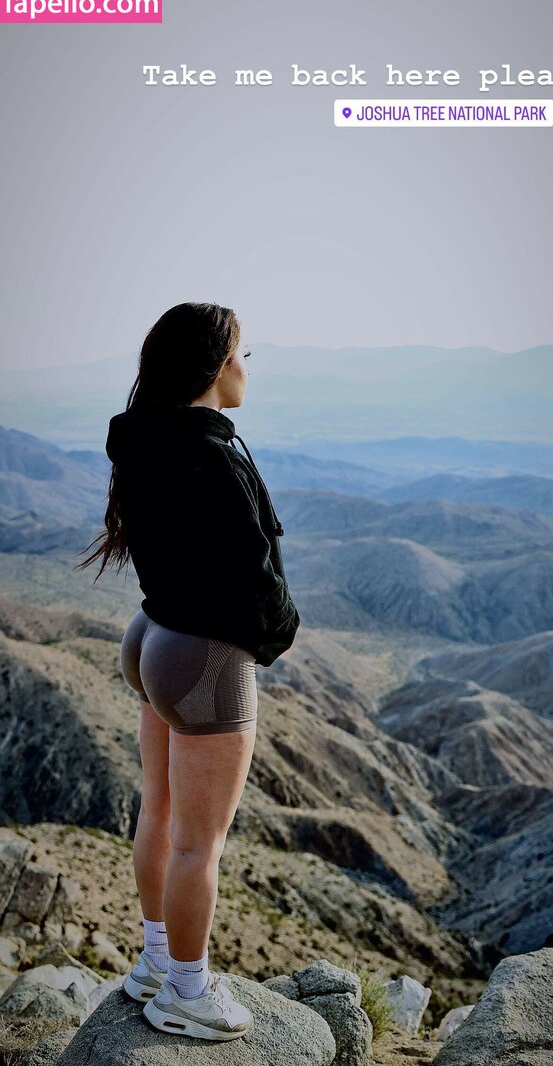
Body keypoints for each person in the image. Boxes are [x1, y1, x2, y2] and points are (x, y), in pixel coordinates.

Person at [75, 301, 300, 1041]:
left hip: (152, 635)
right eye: (242, 355)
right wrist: (279, 633)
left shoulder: (146, 440)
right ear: (213, 366)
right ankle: (186, 991)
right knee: (202, 844)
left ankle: (153, 963)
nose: (247, 369)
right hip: (203, 657)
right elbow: (253, 579)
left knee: (159, 811)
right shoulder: (214, 455)